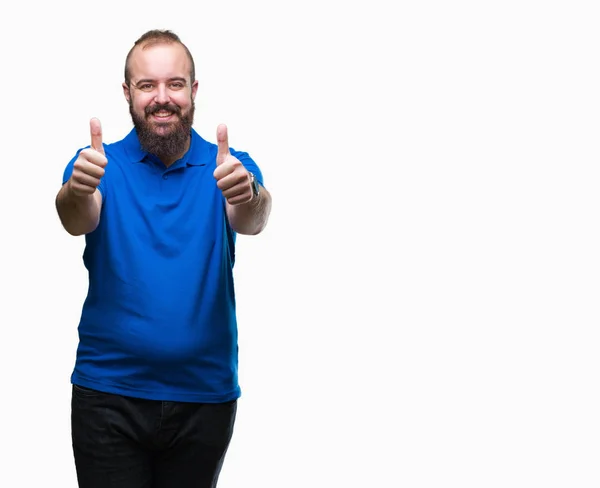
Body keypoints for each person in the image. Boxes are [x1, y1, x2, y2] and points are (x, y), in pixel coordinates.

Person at [55, 29, 272, 488]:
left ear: (193, 92)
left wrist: (248, 193)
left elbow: (252, 217)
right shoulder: (96, 165)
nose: (161, 98)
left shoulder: (228, 166)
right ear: (128, 94)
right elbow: (77, 217)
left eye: (175, 84)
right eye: (146, 85)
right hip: (108, 394)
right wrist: (76, 190)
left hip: (204, 397)